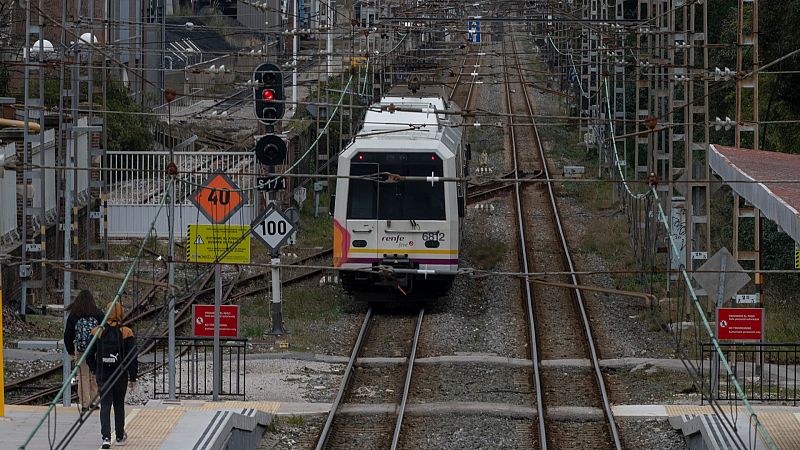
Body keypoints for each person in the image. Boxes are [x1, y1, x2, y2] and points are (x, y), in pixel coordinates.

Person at [87, 302, 138, 449]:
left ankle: (106, 438)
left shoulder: (97, 331)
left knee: (105, 405)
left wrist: (95, 369)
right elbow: (132, 357)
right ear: (120, 313)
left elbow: (89, 354)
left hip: (103, 374)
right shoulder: (126, 332)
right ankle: (120, 435)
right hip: (120, 374)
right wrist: (133, 377)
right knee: (119, 404)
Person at [63, 290, 104, 412]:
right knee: (95, 375)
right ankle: (94, 401)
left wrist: (70, 350)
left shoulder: (74, 315)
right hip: (96, 350)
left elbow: (68, 335)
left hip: (81, 350)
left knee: (83, 376)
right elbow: (104, 331)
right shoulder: (98, 313)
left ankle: (85, 404)